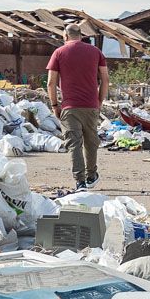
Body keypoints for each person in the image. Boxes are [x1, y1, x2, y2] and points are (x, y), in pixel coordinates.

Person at [47, 23, 108, 191]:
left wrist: (54, 105)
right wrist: (99, 101)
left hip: (69, 107)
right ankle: (91, 175)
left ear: (65, 36)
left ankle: (80, 181)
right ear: (81, 35)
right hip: (91, 105)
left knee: (74, 144)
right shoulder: (96, 52)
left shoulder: (58, 53)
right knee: (91, 142)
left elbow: (51, 83)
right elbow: (105, 79)